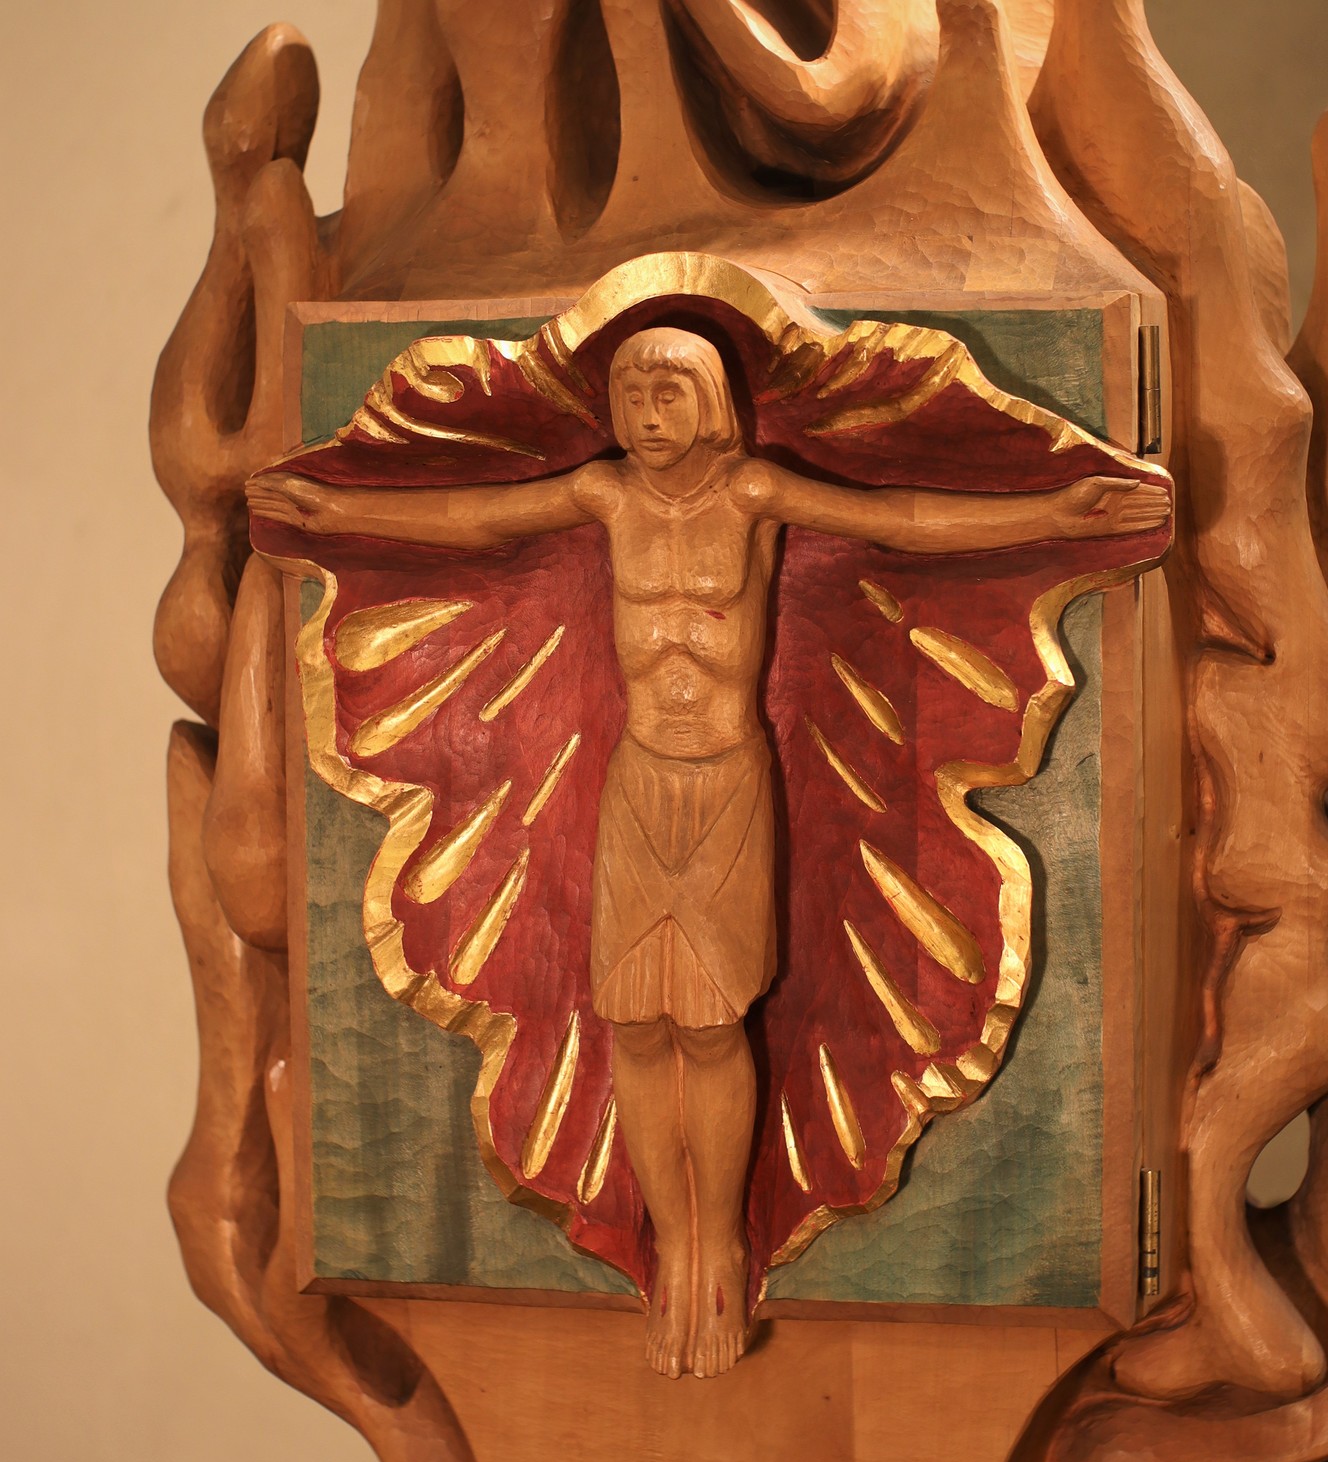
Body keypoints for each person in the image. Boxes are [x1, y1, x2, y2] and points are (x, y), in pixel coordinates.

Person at [248, 327, 1170, 1380]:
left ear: (715, 401)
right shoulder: (604, 496)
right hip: (639, 780)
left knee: (711, 1020)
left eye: (671, 391)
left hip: (728, 781)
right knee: (637, 1023)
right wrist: (333, 515)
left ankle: (717, 1244)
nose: (649, 413)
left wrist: (1056, 515)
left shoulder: (752, 494)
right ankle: (673, 1246)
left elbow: (902, 520)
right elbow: (474, 519)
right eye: (634, 392)